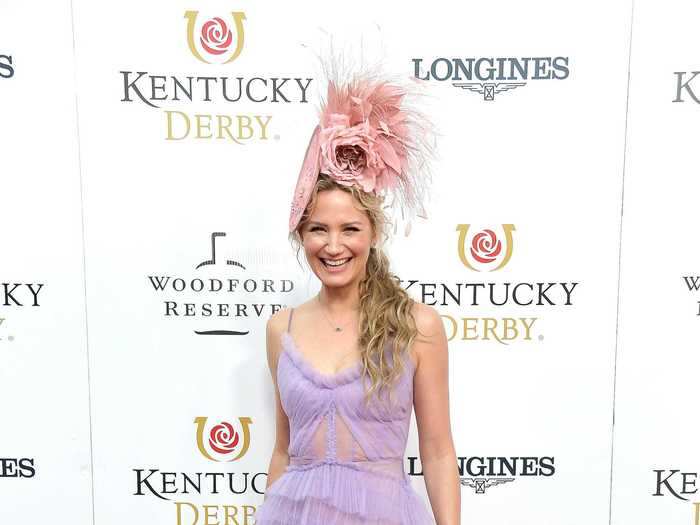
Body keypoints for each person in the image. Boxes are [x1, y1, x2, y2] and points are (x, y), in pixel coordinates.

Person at [256, 61, 461, 524]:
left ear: (373, 232)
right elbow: (284, 452)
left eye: (349, 228)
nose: (332, 246)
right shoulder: (279, 329)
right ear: (300, 235)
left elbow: (437, 449)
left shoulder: (417, 326)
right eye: (317, 230)